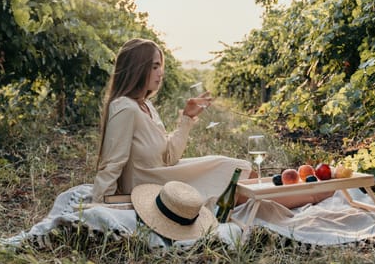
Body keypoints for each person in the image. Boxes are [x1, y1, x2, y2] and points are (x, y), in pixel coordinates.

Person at [91, 38, 253, 205]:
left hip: (164, 178)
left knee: (233, 168)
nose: (161, 73)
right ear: (136, 69)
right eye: (154, 67)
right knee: (233, 176)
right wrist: (98, 206)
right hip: (148, 191)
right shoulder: (125, 108)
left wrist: (187, 118)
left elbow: (169, 157)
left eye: (160, 66)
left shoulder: (146, 106)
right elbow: (112, 163)